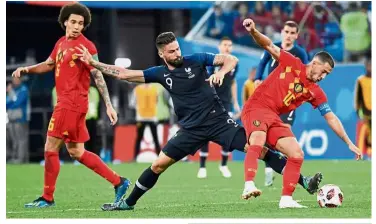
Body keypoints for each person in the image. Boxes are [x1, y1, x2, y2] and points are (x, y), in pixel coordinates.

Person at [75, 31, 322, 211]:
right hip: (190, 129)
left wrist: (222, 73)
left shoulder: (196, 59)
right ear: (162, 54)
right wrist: (94, 63)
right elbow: (126, 74)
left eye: (177, 48)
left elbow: (230, 60)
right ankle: (128, 204)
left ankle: (304, 182)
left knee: (259, 150)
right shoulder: (159, 74)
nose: (177, 53)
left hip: (218, 122)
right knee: (159, 165)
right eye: (171, 51)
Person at [12, 3, 130, 208]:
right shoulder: (60, 43)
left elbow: (97, 74)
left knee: (50, 148)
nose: (77, 26)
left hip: (71, 104)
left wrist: (109, 105)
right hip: (69, 103)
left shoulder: (87, 47)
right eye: (73, 22)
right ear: (65, 21)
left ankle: (47, 198)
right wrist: (27, 69)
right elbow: (49, 64)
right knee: (77, 152)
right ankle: (119, 182)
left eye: (81, 23)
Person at [241, 18, 361, 208]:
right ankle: (249, 184)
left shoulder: (315, 91)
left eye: (327, 75)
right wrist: (253, 31)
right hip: (256, 106)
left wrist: (349, 143)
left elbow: (331, 117)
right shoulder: (292, 63)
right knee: (257, 139)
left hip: (273, 116)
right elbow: (270, 46)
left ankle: (286, 199)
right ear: (314, 63)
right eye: (324, 71)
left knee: (296, 153)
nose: (323, 77)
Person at [255, 21, 309, 187]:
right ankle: (269, 169)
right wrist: (257, 78)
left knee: (285, 135)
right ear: (282, 32)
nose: (289, 35)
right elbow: (263, 62)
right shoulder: (273, 46)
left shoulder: (300, 53)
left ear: (296, 35)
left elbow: (305, 74)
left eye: (293, 33)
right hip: (269, 100)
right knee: (265, 134)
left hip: (287, 101)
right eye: (286, 31)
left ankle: (288, 171)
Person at [197, 37, 240, 179]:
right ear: (219, 46)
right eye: (225, 45)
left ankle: (224, 165)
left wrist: (235, 103)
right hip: (209, 102)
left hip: (226, 102)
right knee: (205, 132)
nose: (227, 47)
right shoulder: (211, 62)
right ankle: (202, 166)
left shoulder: (235, 63)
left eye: (230, 45)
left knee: (227, 133)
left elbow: (233, 82)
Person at [130, 83, 161, 160]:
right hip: (142, 117)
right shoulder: (138, 89)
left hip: (150, 117)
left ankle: (160, 157)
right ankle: (135, 157)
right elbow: (157, 101)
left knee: (155, 138)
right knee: (140, 138)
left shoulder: (152, 89)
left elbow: (132, 104)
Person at [6, 77, 30, 163]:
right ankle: (14, 157)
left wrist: (11, 100)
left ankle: (21, 159)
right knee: (14, 139)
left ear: (20, 80)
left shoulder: (23, 89)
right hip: (11, 118)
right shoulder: (13, 90)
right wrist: (12, 101)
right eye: (13, 80)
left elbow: (18, 102)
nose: (14, 81)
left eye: (16, 79)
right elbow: (6, 103)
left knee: (21, 139)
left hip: (21, 118)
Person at [354, 54, 372, 159]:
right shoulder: (361, 80)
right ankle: (360, 154)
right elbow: (358, 96)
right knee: (364, 131)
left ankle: (370, 153)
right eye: (368, 65)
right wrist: (357, 109)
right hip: (365, 110)